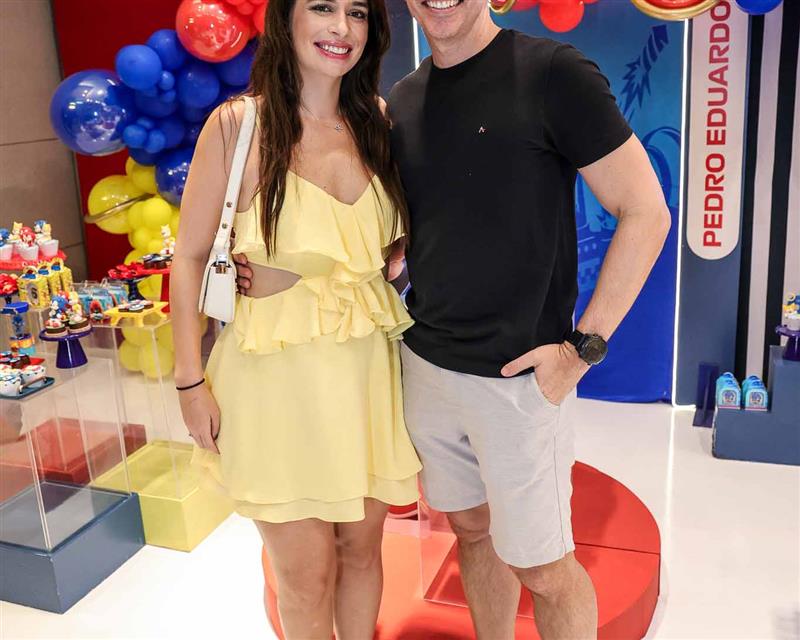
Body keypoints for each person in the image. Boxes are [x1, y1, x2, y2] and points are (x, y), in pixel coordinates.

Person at [238, 0, 671, 637]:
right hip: (426, 368)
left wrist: (584, 347)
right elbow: (409, 229)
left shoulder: (553, 73)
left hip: (519, 379)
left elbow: (646, 211)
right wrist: (282, 270)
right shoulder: (403, 101)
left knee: (545, 567)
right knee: (471, 532)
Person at [170, 0, 421, 638]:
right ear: (286, 20)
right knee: (305, 577)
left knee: (361, 553)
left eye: (357, 13)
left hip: (366, 376)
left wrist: (389, 257)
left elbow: (391, 246)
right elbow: (190, 257)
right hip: (274, 383)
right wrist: (189, 381)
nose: (341, 28)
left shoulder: (378, 121)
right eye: (322, 8)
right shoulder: (238, 125)